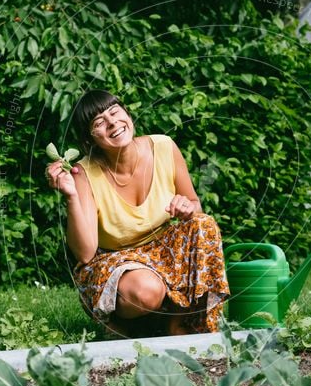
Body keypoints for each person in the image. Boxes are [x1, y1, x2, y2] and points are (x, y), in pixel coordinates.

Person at [46, 89, 230, 338]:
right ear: (89, 139)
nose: (112, 123)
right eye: (99, 123)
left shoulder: (164, 147)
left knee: (203, 224)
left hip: (162, 250)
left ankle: (178, 323)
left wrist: (186, 207)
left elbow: (194, 204)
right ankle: (128, 325)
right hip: (115, 260)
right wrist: (71, 196)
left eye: (114, 112)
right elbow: (85, 253)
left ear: (127, 113)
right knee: (146, 292)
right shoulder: (84, 173)